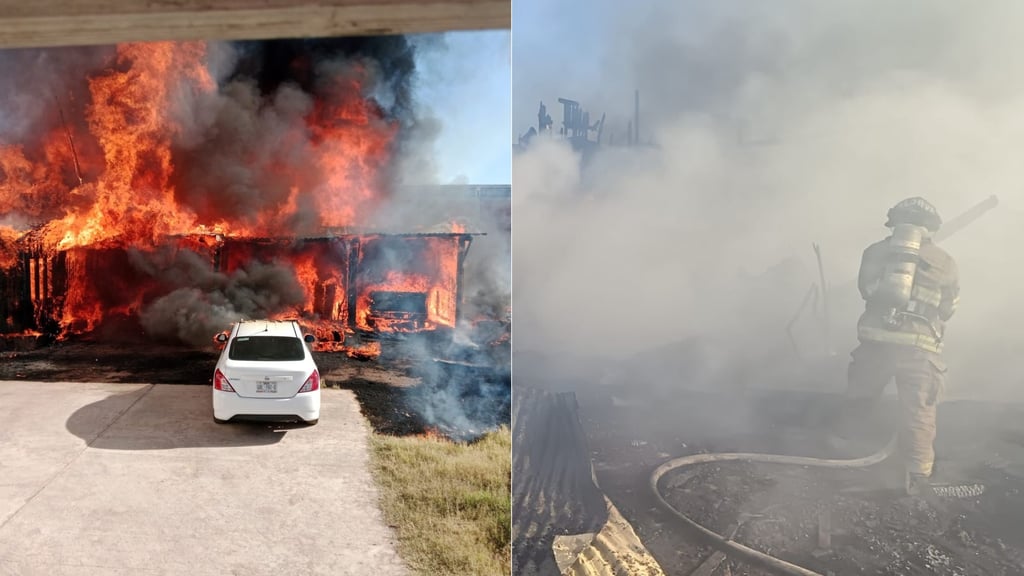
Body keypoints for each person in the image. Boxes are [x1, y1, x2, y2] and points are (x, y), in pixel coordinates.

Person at [838, 197, 960, 496]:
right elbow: (948, 308)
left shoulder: (875, 252)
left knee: (860, 401)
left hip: (876, 342)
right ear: (930, 228)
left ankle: (845, 458)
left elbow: (865, 290)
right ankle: (918, 478)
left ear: (894, 223)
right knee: (919, 412)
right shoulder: (945, 261)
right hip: (919, 349)